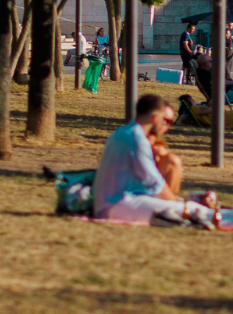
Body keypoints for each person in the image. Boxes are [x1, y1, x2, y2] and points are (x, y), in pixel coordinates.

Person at [91, 95, 216, 227]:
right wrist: (176, 202)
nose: (165, 125)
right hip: (119, 204)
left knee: (186, 208)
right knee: (193, 210)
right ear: (156, 118)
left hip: (110, 203)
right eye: (164, 119)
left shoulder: (123, 132)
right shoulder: (137, 138)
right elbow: (153, 181)